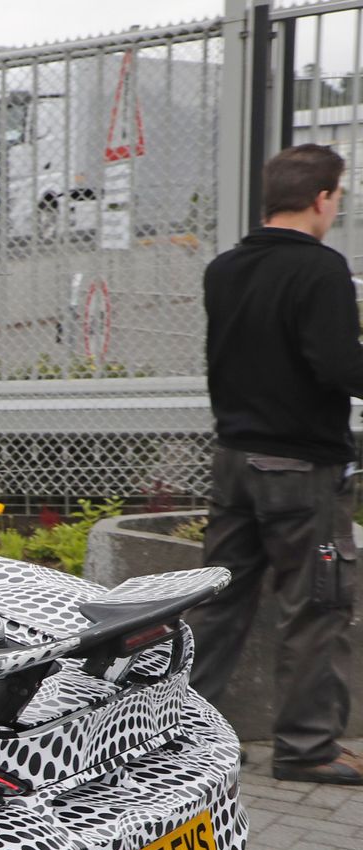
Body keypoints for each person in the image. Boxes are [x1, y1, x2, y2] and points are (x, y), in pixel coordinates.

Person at [189, 143, 363, 783]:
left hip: (233, 460)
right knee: (316, 607)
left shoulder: (225, 268)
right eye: (338, 195)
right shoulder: (321, 271)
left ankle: (183, 737)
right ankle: (308, 750)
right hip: (300, 470)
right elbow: (337, 366)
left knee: (217, 606)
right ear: (321, 196)